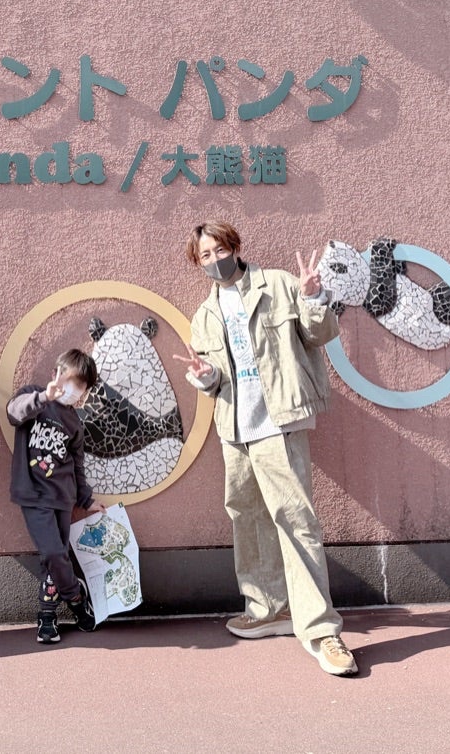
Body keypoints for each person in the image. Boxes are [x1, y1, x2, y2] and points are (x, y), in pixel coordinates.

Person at [173, 221, 357, 676]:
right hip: (235, 431)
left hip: (279, 423)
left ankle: (321, 630)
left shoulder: (277, 284)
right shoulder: (204, 315)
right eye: (205, 256)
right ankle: (268, 608)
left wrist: (314, 296)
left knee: (295, 521)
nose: (215, 260)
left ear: (235, 247)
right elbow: (215, 379)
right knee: (248, 518)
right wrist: (204, 377)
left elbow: (320, 334)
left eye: (220, 250)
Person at [7, 349, 106, 644]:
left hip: (63, 498)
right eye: (70, 381)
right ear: (55, 374)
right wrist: (43, 398)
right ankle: (75, 596)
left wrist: (86, 500)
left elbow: (77, 466)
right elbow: (14, 413)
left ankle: (47, 615)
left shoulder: (74, 423)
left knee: (54, 558)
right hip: (33, 494)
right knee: (53, 553)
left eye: (81, 386)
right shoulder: (33, 396)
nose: (73, 389)